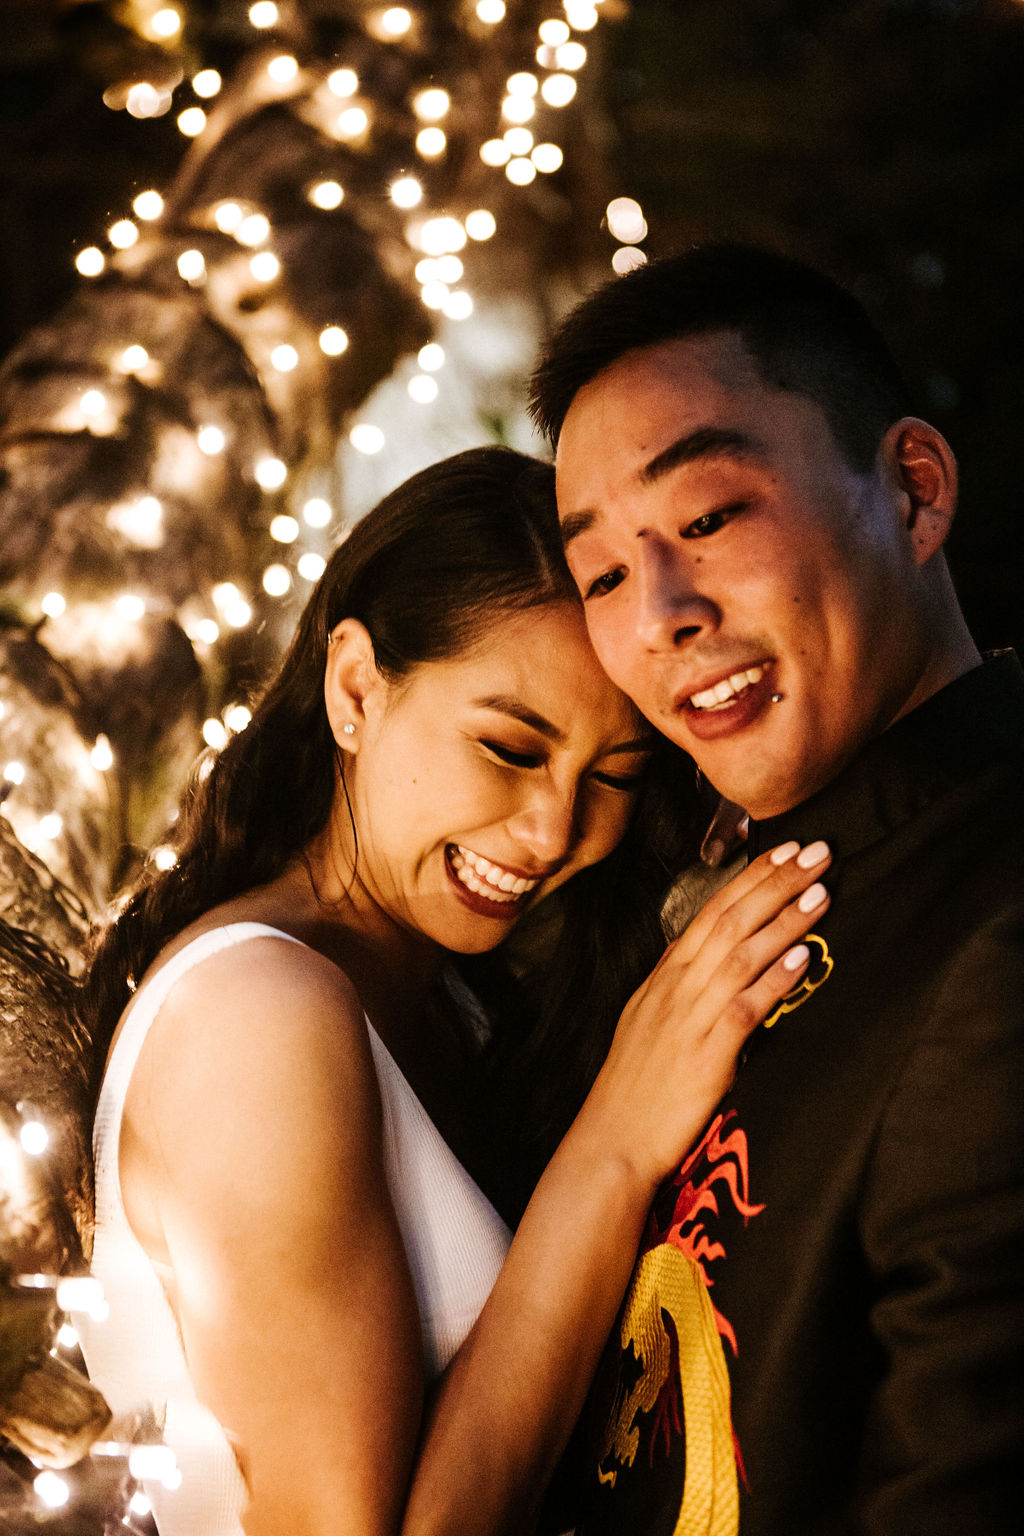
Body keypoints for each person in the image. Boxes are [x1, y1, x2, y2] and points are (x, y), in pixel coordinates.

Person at [73, 445, 832, 1536]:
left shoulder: (448, 999)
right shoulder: (255, 1020)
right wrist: (611, 1148)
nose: (552, 830)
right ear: (353, 688)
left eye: (611, 776)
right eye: (508, 747)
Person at [528, 243, 1024, 1536]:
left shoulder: (995, 911)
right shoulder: (687, 875)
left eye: (707, 519)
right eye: (603, 576)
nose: (662, 615)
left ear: (914, 492)